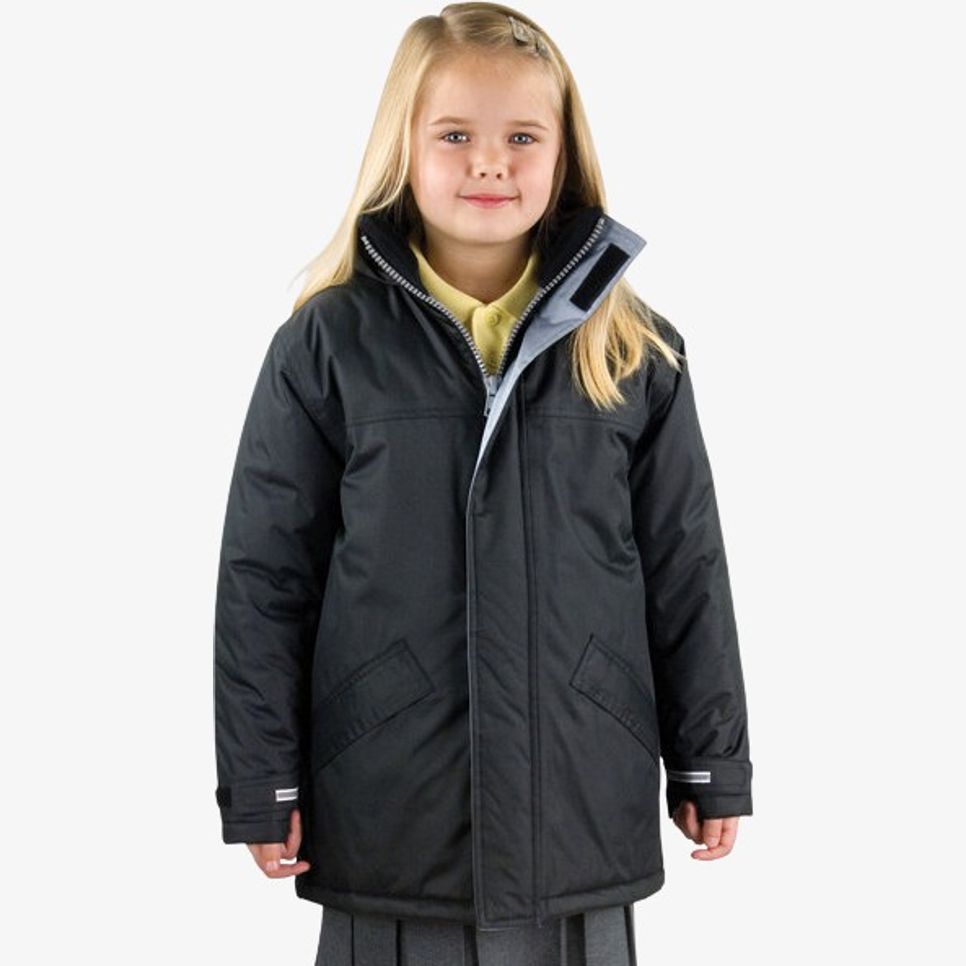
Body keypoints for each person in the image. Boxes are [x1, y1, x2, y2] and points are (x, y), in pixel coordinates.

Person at [213, 4, 753, 965]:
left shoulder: (633, 351)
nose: (490, 164)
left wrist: (711, 755)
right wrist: (263, 777)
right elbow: (266, 577)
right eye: (455, 135)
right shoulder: (327, 345)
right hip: (391, 793)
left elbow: (686, 567)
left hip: (579, 790)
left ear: (564, 154)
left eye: (522, 138)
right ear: (403, 147)